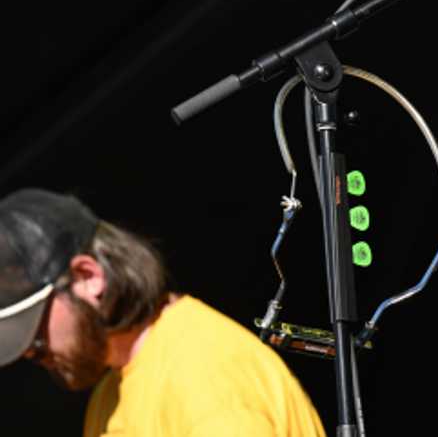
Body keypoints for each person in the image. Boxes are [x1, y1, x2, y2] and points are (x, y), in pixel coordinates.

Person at [0, 187, 326, 436]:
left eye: (35, 327)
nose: (30, 350)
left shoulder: (204, 375)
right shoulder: (109, 395)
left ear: (88, 277)